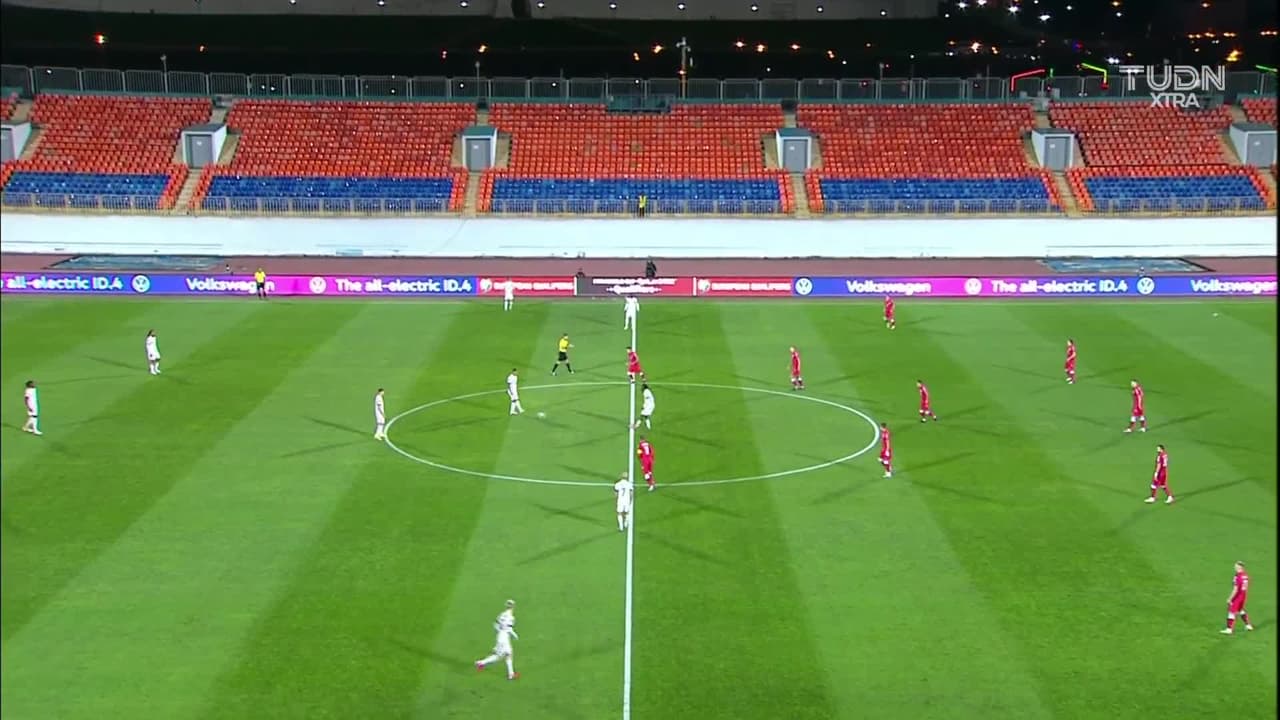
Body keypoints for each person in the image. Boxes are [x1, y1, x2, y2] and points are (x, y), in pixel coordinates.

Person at [475, 599, 519, 680]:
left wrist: (500, 632)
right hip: (504, 638)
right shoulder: (511, 617)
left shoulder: (501, 615)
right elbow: (509, 629)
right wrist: (514, 635)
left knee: (509, 654)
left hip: (500, 636)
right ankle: (481, 663)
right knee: (499, 657)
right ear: (513, 607)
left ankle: (511, 674)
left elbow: (495, 625)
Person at [1222, 561, 1253, 634]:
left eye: (1236, 566)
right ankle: (1248, 625)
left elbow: (1235, 589)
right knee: (1240, 610)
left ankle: (1229, 629)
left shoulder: (1237, 576)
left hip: (1238, 596)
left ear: (1240, 567)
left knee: (1231, 611)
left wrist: (1230, 598)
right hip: (1243, 595)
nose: (1234, 567)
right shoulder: (1245, 575)